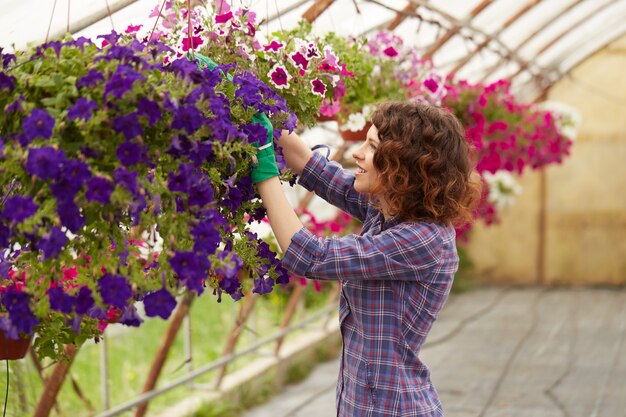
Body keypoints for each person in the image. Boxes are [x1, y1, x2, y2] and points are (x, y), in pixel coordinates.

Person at [252, 101, 480, 416]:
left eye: (372, 147)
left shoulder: (423, 240)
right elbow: (308, 164)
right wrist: (255, 108)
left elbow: (310, 256)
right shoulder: (388, 209)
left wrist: (263, 169)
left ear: (405, 166)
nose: (357, 153)